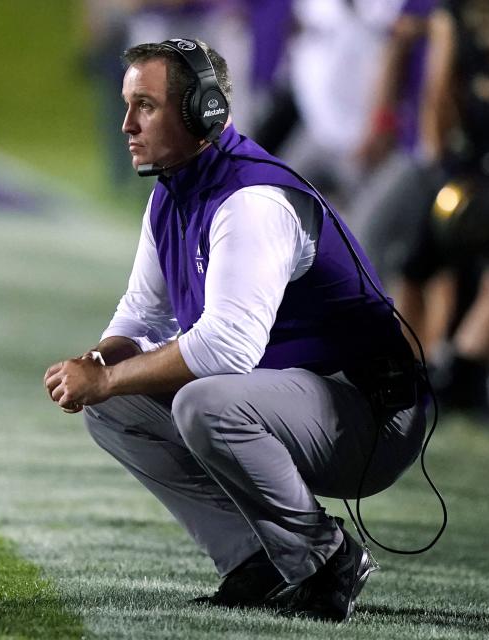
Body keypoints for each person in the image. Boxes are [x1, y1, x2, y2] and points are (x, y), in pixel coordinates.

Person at [43, 37, 428, 623]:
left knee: (202, 401)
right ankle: (255, 561)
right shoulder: (174, 190)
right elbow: (141, 314)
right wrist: (95, 366)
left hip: (372, 408)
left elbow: (228, 346)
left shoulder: (253, 200)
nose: (126, 124)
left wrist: (109, 376)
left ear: (204, 112)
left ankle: (326, 557)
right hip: (302, 395)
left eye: (144, 105)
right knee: (114, 405)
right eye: (128, 105)